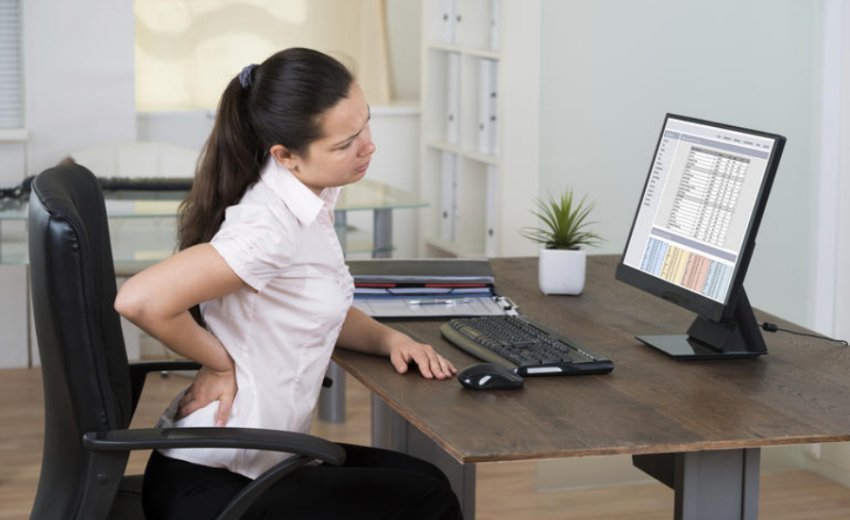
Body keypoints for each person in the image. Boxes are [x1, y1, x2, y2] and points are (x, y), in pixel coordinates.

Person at [115, 47, 463, 520]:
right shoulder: (269, 228)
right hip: (218, 485)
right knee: (428, 501)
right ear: (287, 156)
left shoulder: (304, 196)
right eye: (345, 144)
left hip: (257, 460)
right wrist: (219, 365)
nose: (368, 146)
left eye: (365, 125)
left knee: (429, 481)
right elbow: (140, 300)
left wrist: (389, 339)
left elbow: (311, 306)